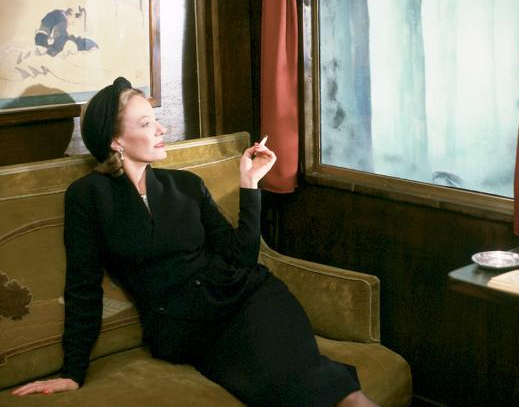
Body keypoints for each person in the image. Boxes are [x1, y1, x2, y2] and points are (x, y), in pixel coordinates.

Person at [12, 77, 377, 406]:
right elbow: (83, 286)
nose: (162, 128)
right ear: (115, 140)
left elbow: (240, 258)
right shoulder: (88, 197)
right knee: (286, 387)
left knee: (322, 384)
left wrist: (250, 185)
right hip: (188, 329)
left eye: (156, 118)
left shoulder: (186, 185)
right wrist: (73, 372)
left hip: (251, 298)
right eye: (146, 123)